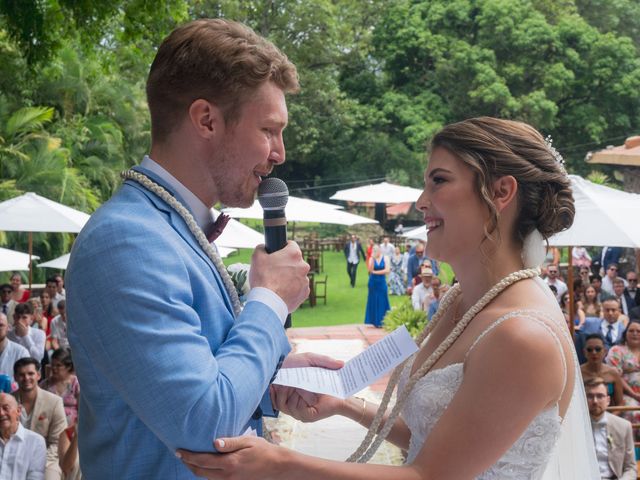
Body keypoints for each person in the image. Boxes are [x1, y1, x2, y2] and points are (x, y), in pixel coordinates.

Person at [178, 117, 599, 478]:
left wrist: (283, 465)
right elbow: (443, 440)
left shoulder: (522, 336)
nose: (421, 202)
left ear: (501, 192)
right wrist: (345, 406)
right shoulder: (462, 300)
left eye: (439, 181)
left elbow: (431, 475)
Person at [65, 18, 337, 478]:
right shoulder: (126, 240)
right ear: (206, 120)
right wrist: (268, 301)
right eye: (270, 130)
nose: (280, 153)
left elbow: (188, 378)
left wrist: (272, 380)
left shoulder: (169, 226)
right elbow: (204, 423)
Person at [13, 357, 67, 480]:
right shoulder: (8, 403)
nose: (26, 378)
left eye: (30, 373)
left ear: (38, 375)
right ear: (15, 377)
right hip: (14, 456)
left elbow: (57, 442)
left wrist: (35, 462)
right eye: (21, 375)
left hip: (47, 461)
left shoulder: (54, 402)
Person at [585, 377, 637, 480]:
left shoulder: (624, 426)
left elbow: (630, 468)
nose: (595, 401)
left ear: (608, 400)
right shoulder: (575, 429)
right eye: (590, 396)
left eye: (600, 396)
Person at [0, 392, 46, 478]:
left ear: (18, 411)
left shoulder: (36, 442)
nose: (1, 413)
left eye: (5, 408)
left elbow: (35, 477)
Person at [606, 321, 640, 430]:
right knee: (634, 412)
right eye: (631, 331)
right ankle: (633, 446)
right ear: (625, 333)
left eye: (638, 331)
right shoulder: (617, 351)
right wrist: (634, 394)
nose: (635, 333)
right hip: (626, 394)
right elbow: (616, 376)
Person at [39, 349, 79, 428]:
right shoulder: (45, 384)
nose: (54, 368)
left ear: (68, 367)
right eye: (52, 365)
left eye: (58, 365)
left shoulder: (76, 384)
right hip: (50, 426)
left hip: (72, 428)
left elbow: (82, 410)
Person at [580, 333, 624, 406]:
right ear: (584, 352)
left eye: (598, 349)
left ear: (605, 352)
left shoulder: (613, 373)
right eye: (589, 350)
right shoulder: (578, 374)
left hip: (610, 414)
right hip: (585, 415)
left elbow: (620, 403)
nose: (594, 352)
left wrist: (611, 416)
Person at [364, 245, 390, 328]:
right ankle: (374, 321)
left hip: (381, 281)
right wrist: (372, 259)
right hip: (373, 282)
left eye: (377, 251)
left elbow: (387, 270)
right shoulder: (372, 258)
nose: (376, 252)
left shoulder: (385, 258)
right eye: (374, 251)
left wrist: (375, 272)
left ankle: (383, 320)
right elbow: (369, 270)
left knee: (382, 299)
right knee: (373, 300)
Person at [0, 313, 30, 383]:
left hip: (13, 393)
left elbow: (26, 382)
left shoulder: (21, 352)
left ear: (8, 327)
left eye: (1, 325)